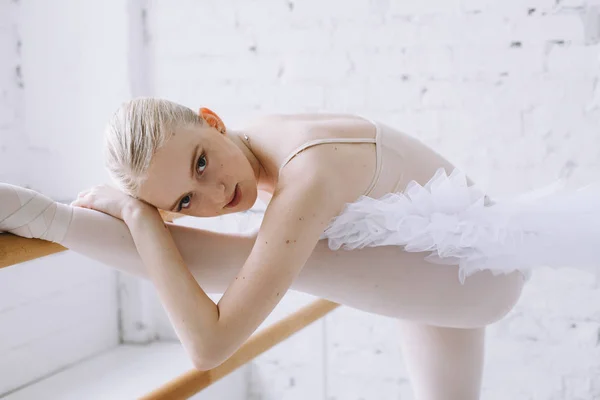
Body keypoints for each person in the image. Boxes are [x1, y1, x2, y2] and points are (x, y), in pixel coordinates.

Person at [1, 98, 597, 400]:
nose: (212, 193)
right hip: (437, 263)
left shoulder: (306, 174)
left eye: (201, 162)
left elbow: (209, 345)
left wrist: (141, 216)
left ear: (210, 118)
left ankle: (42, 216)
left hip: (470, 275)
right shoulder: (265, 135)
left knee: (260, 259)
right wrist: (150, 210)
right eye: (183, 201)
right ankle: (49, 215)